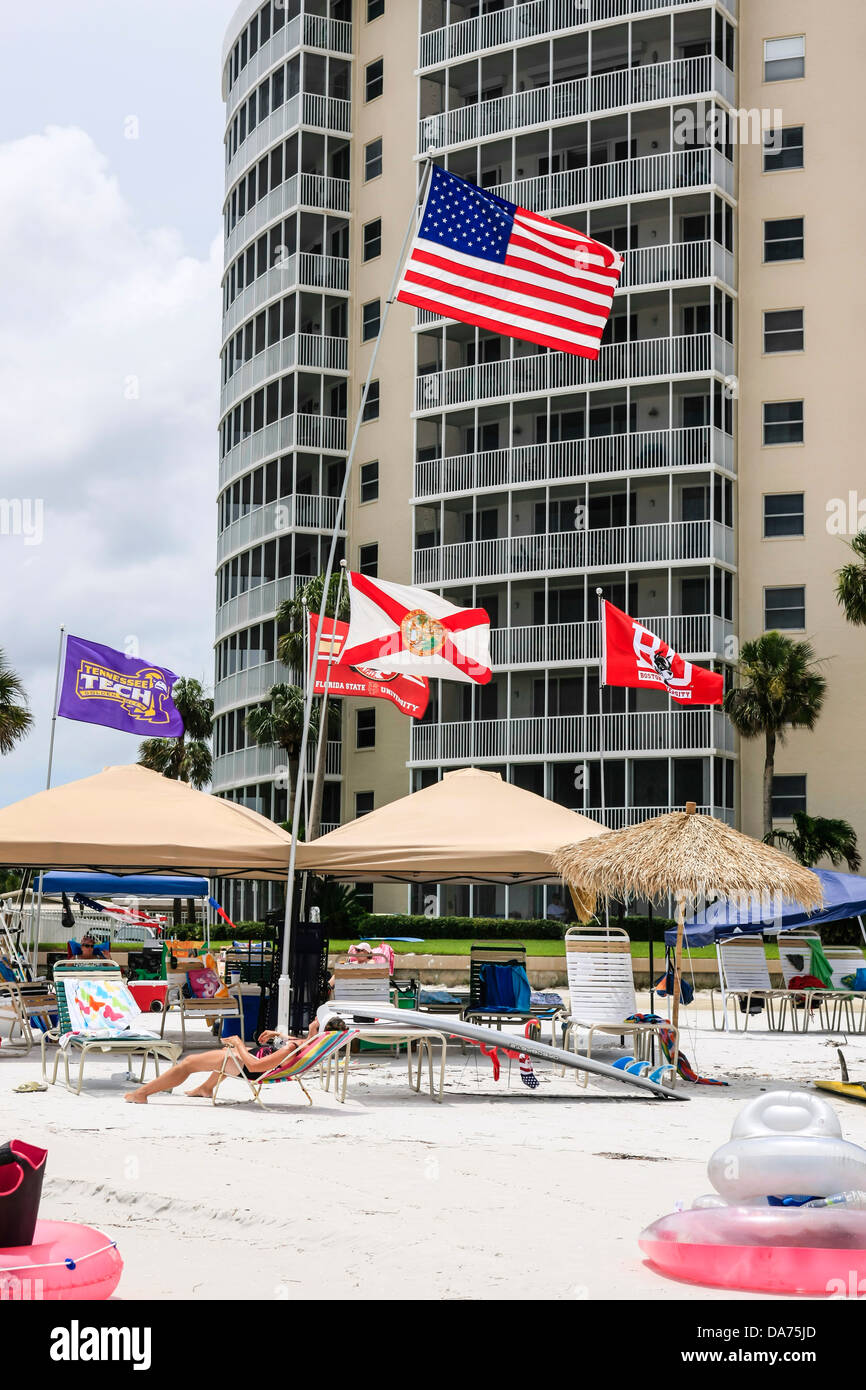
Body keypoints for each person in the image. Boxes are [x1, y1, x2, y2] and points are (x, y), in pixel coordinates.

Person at [124, 1016, 348, 1104]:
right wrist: (278, 1034)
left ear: (320, 1027)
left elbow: (255, 1066)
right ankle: (205, 1088)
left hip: (251, 1066)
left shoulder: (294, 1046)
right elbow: (300, 1046)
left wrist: (239, 1044)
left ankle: (142, 1094)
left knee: (189, 1062)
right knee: (221, 1056)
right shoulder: (312, 1044)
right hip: (255, 1059)